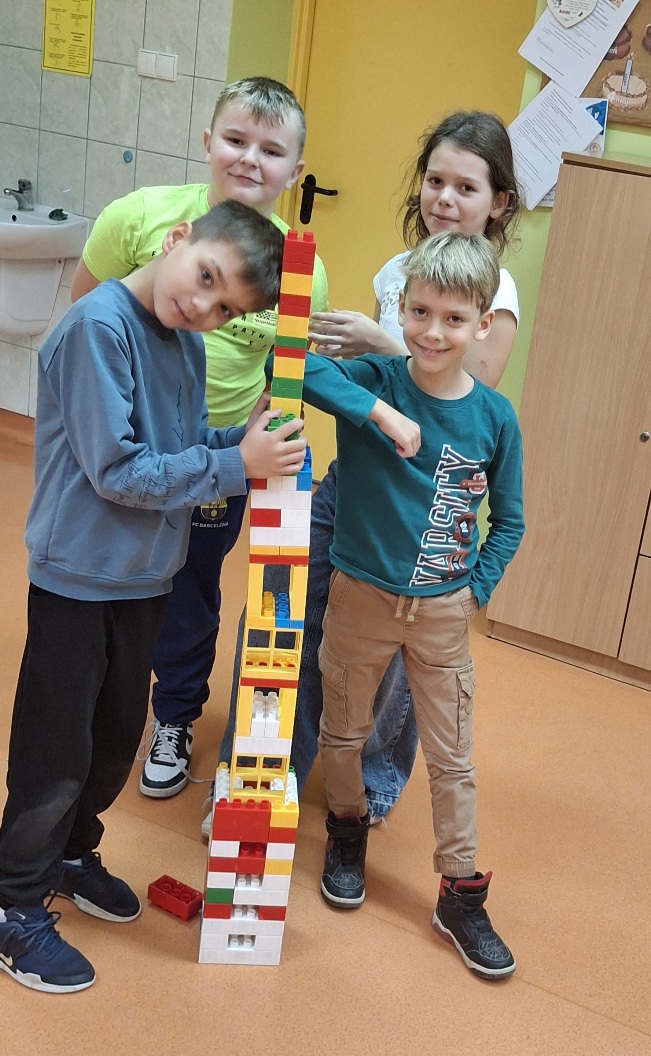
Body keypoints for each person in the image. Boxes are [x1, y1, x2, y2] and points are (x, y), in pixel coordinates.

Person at [0, 201, 307, 995]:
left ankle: (71, 855)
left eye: (225, 308)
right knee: (54, 752)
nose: (204, 307)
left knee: (112, 739)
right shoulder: (97, 329)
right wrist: (237, 466)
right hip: (76, 577)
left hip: (144, 577)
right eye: (205, 278)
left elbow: (181, 447)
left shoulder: (185, 342)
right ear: (176, 240)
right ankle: (12, 901)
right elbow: (120, 471)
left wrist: (240, 442)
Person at [216, 110, 522, 825]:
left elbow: (472, 388)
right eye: (435, 180)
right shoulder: (397, 271)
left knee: (392, 659)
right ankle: (259, 772)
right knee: (284, 619)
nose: (445, 198)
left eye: (466, 187)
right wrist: (366, 392)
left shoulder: (496, 291)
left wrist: (381, 343)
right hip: (351, 487)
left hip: (425, 507)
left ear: (498, 202)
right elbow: (355, 380)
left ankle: (369, 786)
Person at [71, 77, 328, 800]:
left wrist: (257, 446)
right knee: (117, 583)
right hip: (131, 449)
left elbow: (289, 373)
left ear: (295, 171)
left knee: (191, 592)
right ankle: (100, 707)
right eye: (236, 140)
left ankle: (174, 717)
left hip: (225, 461)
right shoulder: (141, 216)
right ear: (208, 140)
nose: (250, 159)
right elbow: (85, 313)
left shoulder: (301, 270)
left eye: (271, 150)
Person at [300, 230, 525, 979]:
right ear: (400, 309)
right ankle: (346, 831)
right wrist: (379, 414)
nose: (432, 332)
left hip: (441, 615)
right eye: (420, 312)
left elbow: (510, 520)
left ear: (482, 324)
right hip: (359, 598)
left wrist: (473, 592)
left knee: (453, 759)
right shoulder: (376, 378)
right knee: (343, 731)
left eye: (454, 319)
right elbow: (293, 368)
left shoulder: (494, 417)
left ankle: (459, 892)